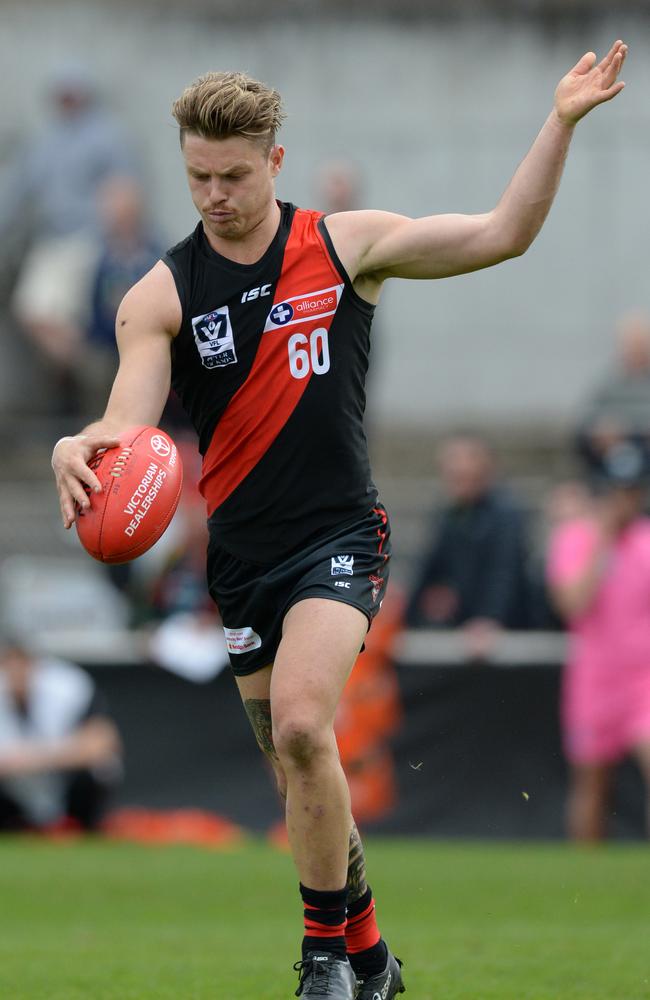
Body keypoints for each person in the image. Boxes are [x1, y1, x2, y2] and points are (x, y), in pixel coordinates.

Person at [51, 45, 627, 999]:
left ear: (275, 162)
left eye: (235, 176)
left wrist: (559, 121)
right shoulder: (158, 295)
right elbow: (127, 423)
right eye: (198, 177)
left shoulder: (346, 244)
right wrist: (81, 446)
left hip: (339, 538)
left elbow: (501, 233)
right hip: (240, 560)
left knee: (309, 730)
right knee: (297, 780)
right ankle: (371, 958)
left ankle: (324, 962)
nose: (216, 196)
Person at [547, 441, 650, 840]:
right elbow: (572, 603)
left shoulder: (645, 540)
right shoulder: (576, 538)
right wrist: (602, 543)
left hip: (642, 675)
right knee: (591, 783)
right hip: (594, 676)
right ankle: (583, 881)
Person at [405, 434, 533, 658]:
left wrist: (490, 618)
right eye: (452, 474)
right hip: (463, 626)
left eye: (463, 475)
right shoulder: (448, 514)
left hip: (506, 630)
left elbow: (504, 572)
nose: (457, 480)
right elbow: (430, 568)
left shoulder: (506, 514)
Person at [0, 637, 122, 832]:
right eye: (9, 665)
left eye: (21, 664)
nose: (16, 674)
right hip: (14, 786)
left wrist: (35, 759)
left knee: (97, 771)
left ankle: (80, 826)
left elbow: (102, 743)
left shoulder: (68, 687)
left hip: (64, 775)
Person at [576, 310, 650, 477]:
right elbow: (586, 424)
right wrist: (602, 432)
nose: (636, 353)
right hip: (614, 462)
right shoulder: (608, 386)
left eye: (641, 346)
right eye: (632, 347)